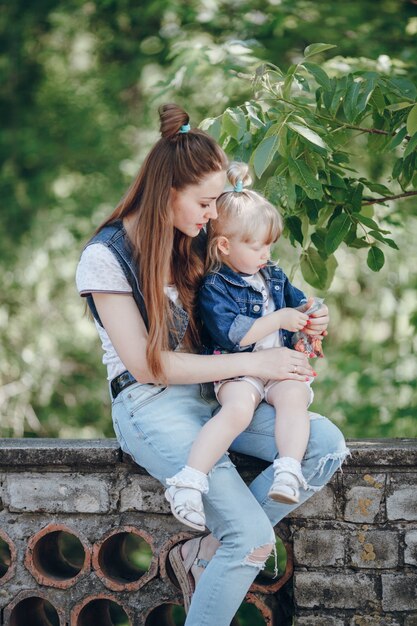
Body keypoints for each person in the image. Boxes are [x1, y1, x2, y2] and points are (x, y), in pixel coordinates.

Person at [76, 103, 349, 626]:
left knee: (325, 445)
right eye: (203, 202)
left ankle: (204, 554)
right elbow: (149, 365)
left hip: (222, 393)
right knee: (249, 538)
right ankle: (230, 542)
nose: (209, 215)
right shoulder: (106, 256)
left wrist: (306, 318)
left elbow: (259, 299)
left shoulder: (201, 246)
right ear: (168, 191)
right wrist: (260, 360)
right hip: (151, 404)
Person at [165, 162, 319, 534]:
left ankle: (288, 469)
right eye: (257, 246)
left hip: (276, 370)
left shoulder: (273, 274)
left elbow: (300, 304)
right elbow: (235, 334)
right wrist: (279, 320)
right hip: (237, 369)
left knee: (295, 396)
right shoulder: (216, 286)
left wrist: (316, 313)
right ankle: (190, 479)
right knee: (237, 411)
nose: (266, 253)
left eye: (269, 244)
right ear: (224, 245)